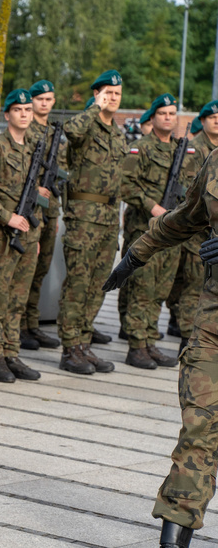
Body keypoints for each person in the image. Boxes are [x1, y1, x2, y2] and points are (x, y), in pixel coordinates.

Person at [102, 147, 218, 548]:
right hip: (213, 329)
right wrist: (135, 255)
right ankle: (171, 540)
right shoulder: (216, 160)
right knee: (199, 432)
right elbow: (187, 217)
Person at [57, 70, 127, 374]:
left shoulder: (118, 133)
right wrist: (93, 107)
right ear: (97, 94)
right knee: (78, 283)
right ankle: (70, 348)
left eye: (117, 94)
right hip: (84, 217)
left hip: (110, 219)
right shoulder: (86, 125)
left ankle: (84, 344)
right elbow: (71, 131)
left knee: (99, 284)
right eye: (107, 92)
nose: (113, 98)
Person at [0, 89, 48, 383]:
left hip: (29, 238)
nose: (24, 114)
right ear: (7, 115)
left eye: (28, 110)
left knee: (18, 299)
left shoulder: (35, 147)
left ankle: (11, 353)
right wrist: (7, 216)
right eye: (18, 109)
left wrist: (37, 231)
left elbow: (35, 195)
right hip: (1, 237)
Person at [117, 93, 182, 369]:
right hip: (144, 230)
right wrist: (153, 207)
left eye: (172, 113)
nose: (168, 117)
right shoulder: (140, 148)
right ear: (153, 117)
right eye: (163, 113)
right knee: (141, 288)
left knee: (160, 290)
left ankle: (150, 341)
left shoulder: (181, 150)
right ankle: (136, 346)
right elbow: (125, 184)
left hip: (172, 234)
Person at [165, 101, 217, 353]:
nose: (217, 120)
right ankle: (188, 338)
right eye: (212, 116)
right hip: (199, 231)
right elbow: (189, 192)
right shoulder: (195, 150)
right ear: (203, 120)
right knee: (194, 285)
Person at [19, 80, 65, 351]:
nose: (44, 103)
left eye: (49, 99)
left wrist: (56, 214)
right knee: (27, 270)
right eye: (40, 99)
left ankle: (32, 324)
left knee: (41, 271)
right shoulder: (27, 130)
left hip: (50, 210)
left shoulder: (55, 133)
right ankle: (21, 327)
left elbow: (62, 170)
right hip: (30, 207)